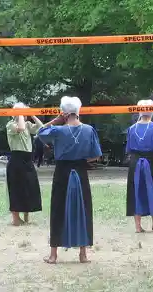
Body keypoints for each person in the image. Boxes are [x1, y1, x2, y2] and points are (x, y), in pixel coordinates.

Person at [38, 96, 102, 264]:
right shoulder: (89, 130)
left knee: (58, 209)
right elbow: (96, 154)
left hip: (62, 172)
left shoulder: (58, 130)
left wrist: (55, 120)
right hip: (80, 172)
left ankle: (53, 255)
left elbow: (40, 133)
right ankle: (83, 254)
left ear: (64, 113)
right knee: (84, 209)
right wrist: (80, 160)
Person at [125, 99, 153, 233]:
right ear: (152, 110)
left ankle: (138, 226)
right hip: (151, 162)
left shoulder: (131, 129)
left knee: (135, 191)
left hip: (135, 162)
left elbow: (129, 150)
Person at [6, 102, 43, 226]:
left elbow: (41, 127)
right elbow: (20, 128)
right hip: (16, 159)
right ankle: (16, 219)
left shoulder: (27, 124)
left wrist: (32, 115)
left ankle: (27, 215)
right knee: (16, 189)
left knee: (30, 187)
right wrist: (20, 113)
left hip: (27, 159)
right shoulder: (10, 124)